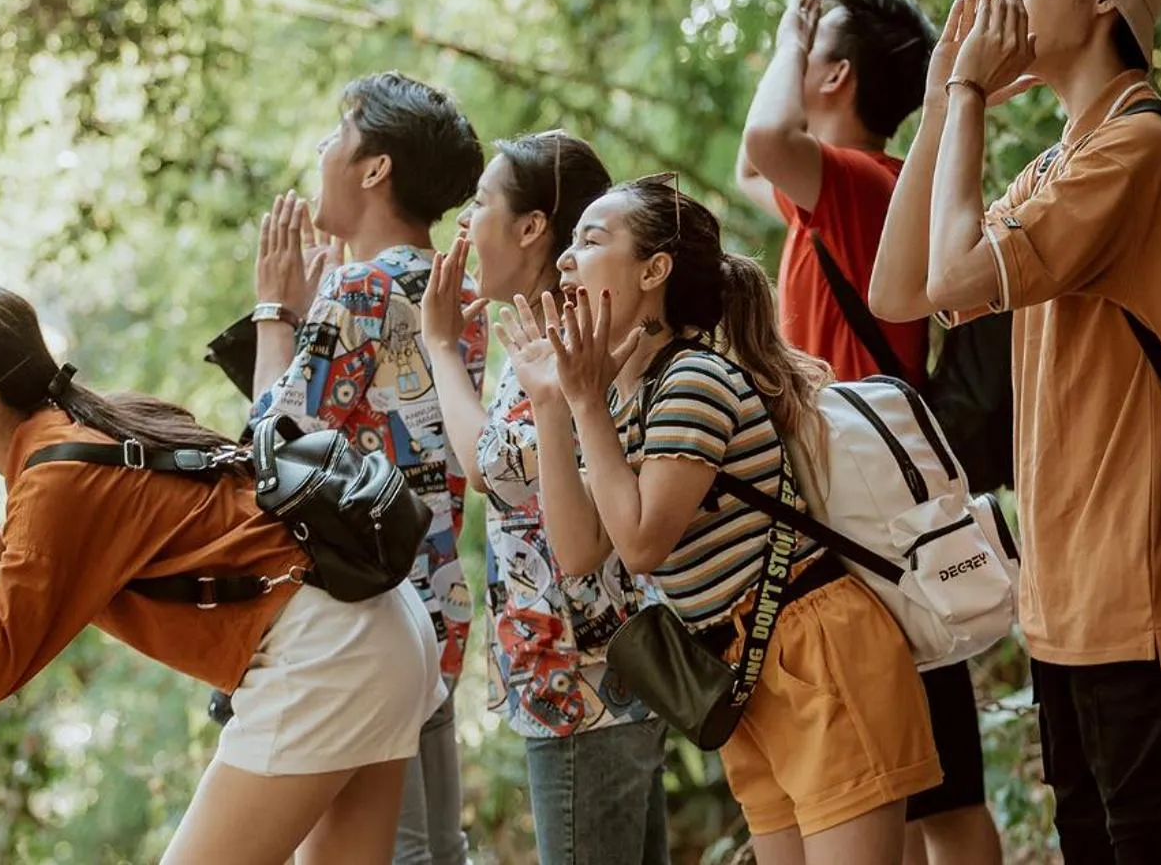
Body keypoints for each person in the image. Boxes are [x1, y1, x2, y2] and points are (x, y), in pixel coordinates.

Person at [867, 0, 1161, 864]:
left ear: (1100, 0)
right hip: (1069, 612)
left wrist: (964, 95)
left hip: (1148, 610)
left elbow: (953, 274)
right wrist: (936, 102)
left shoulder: (1139, 151)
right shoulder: (1056, 165)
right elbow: (899, 291)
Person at [0, 284, 443, 865]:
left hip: (326, 650)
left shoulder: (58, 481)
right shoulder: (75, 435)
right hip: (376, 627)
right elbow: (22, 601)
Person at [500, 174, 943, 865]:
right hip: (738, 671)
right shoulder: (625, 398)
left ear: (654, 270)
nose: (564, 260)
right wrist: (554, 406)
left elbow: (643, 543)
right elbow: (581, 551)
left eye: (590, 240)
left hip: (817, 653)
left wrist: (583, 404)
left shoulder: (692, 380)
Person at [735, 0, 1003, 865]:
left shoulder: (861, 185)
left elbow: (764, 137)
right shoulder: (834, 192)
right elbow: (753, 159)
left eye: (813, 45)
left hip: (871, 524)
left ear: (836, 77)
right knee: (921, 793)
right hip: (855, 525)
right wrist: (796, 44)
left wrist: (786, 37)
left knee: (943, 803)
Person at [249, 71, 487, 865]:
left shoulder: (359, 287)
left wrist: (275, 313)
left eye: (334, 135)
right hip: (439, 599)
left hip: (361, 618)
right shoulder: (459, 291)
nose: (321, 151)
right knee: (434, 848)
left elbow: (271, 452)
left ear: (374, 166)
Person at [419, 130, 670, 865]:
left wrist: (438, 348)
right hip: (581, 676)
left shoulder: (576, 335)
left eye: (480, 202)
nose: (465, 222)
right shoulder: (547, 328)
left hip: (583, 679)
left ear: (533, 226)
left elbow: (493, 468)